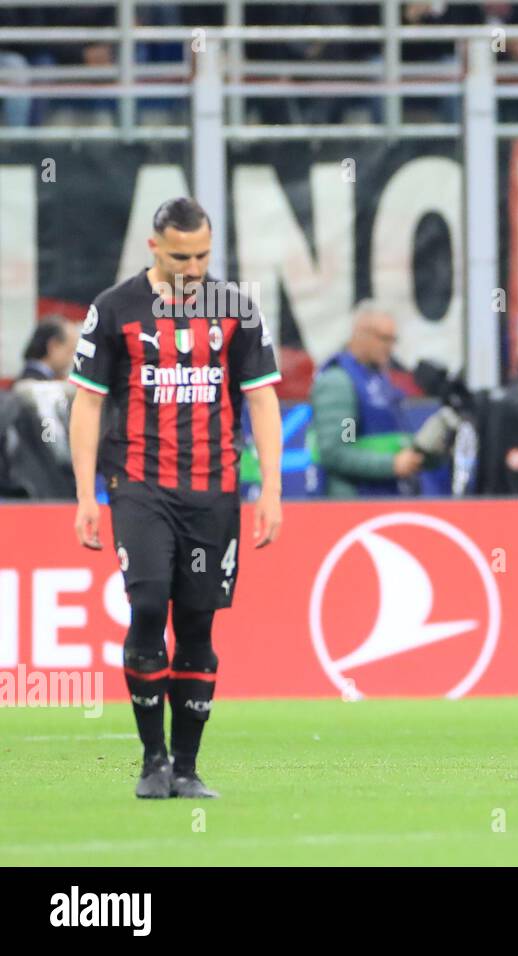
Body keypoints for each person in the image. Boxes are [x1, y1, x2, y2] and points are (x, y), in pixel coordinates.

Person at [68, 197, 283, 799]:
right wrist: (85, 493)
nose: (193, 268)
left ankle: (186, 769)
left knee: (196, 625)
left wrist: (272, 489)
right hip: (139, 485)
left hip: (214, 491)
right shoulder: (114, 309)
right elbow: (87, 402)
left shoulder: (235, 309)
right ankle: (152, 759)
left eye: (203, 255)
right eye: (181, 256)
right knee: (147, 604)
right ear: (153, 247)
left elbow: (262, 399)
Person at [311, 301, 425, 497]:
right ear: (360, 333)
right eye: (383, 339)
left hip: (384, 495)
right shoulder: (340, 382)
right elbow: (336, 451)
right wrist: (391, 465)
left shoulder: (377, 379)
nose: (390, 347)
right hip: (354, 500)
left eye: (393, 339)